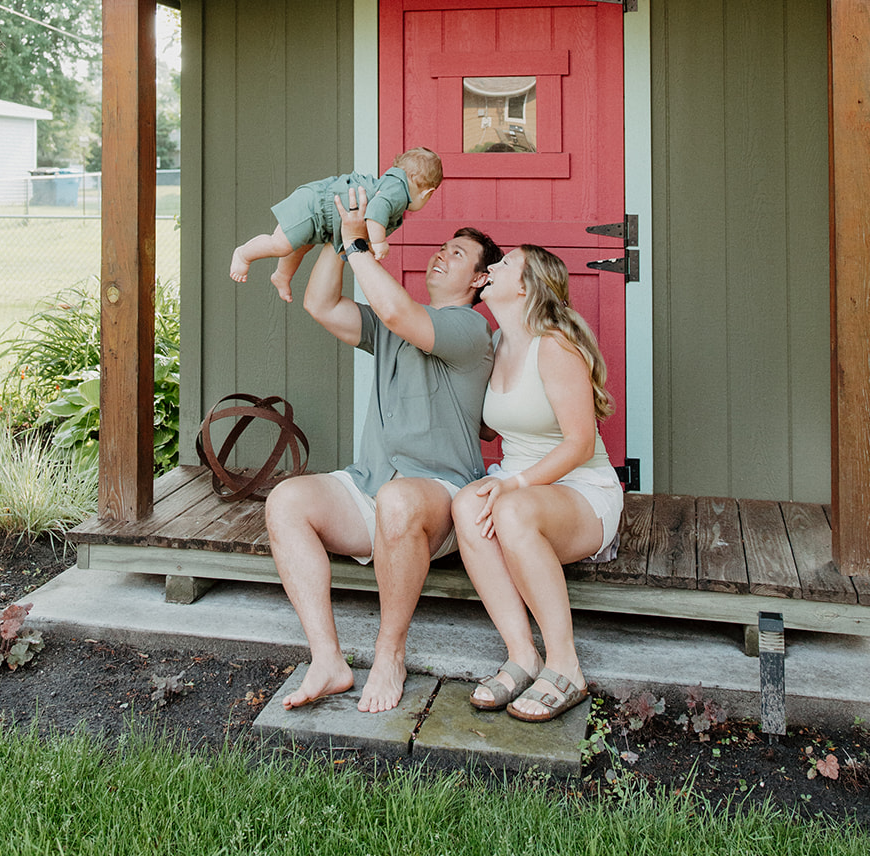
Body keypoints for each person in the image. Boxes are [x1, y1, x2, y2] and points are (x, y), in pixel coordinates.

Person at [264, 187, 502, 714]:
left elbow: (395, 314)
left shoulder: (470, 330)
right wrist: (336, 230)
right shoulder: (400, 319)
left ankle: (389, 653)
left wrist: (359, 246)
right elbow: (320, 304)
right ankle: (327, 660)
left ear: (480, 280)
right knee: (286, 501)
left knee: (397, 501)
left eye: (458, 253)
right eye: (443, 246)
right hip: (370, 484)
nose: (442, 254)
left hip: (435, 497)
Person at [452, 244, 622, 723]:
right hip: (520, 483)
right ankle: (523, 656)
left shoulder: (555, 345)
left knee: (509, 508)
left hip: (582, 491)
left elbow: (580, 444)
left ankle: (566, 666)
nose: (492, 268)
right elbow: (493, 424)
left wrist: (516, 485)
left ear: (525, 286)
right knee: (467, 505)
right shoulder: (495, 343)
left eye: (504, 264)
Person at [230, 147, 443, 301]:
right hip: (317, 205)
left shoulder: (391, 183)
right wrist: (379, 243)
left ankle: (282, 275)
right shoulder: (398, 190)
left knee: (300, 245)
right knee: (280, 244)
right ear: (427, 193)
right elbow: (376, 211)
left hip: (324, 213)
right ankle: (243, 253)